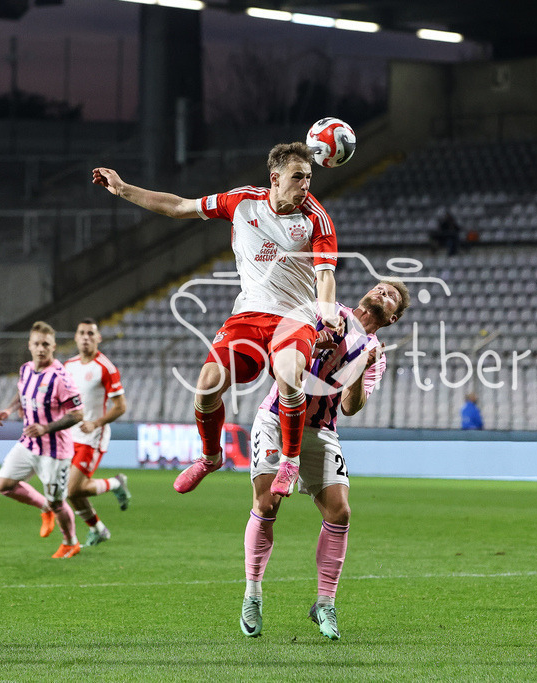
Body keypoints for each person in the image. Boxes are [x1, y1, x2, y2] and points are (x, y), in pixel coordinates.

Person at [93, 142, 343, 499]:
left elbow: (325, 277)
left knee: (289, 374)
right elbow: (179, 207)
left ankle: (289, 461)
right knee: (207, 385)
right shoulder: (241, 201)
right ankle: (211, 457)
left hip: (295, 317)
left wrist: (329, 320)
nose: (305, 185)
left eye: (309, 177)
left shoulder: (316, 220)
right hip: (248, 314)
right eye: (298, 177)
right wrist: (122, 189)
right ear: (275, 178)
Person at [241, 279, 410, 640]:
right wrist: (315, 340)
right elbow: (285, 354)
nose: (383, 293)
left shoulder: (376, 353)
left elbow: (350, 407)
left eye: (391, 296)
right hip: (277, 417)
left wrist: (363, 366)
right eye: (381, 287)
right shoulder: (327, 314)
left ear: (393, 318)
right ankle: (252, 594)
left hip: (321, 430)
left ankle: (325, 603)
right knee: (267, 504)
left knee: (340, 511)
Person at [0, 321, 83, 558]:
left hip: (55, 452)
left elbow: (78, 414)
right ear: (29, 345)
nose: (41, 348)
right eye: (36, 344)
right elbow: (22, 392)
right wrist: (9, 409)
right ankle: (44, 507)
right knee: (3, 485)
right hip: (29, 444)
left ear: (54, 346)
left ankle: (70, 542)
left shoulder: (61, 378)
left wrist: (46, 428)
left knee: (58, 502)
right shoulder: (25, 369)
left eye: (46, 344)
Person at [64, 318, 131, 547]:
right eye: (82, 333)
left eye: (91, 334)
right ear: (75, 337)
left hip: (92, 436)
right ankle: (98, 529)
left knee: (72, 489)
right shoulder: (68, 366)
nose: (86, 337)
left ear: (98, 338)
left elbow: (121, 406)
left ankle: (115, 484)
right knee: (72, 492)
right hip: (69, 435)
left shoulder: (106, 367)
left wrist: (95, 423)